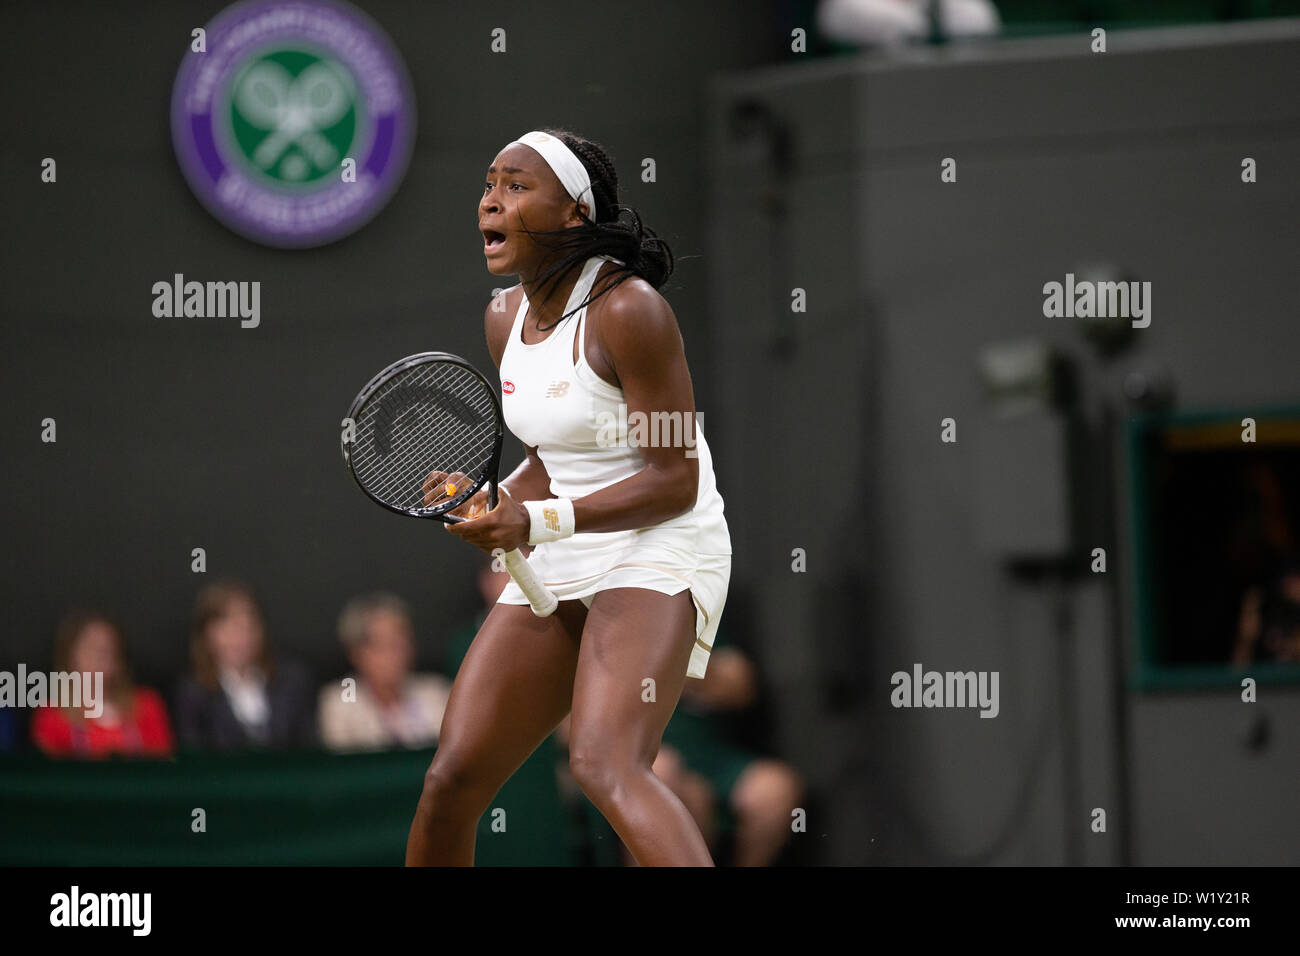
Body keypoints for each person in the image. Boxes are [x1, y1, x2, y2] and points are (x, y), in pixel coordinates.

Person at [406, 128, 732, 867]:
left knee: (604, 763)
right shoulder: (502, 319)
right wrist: (493, 498)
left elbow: (674, 480)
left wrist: (535, 520)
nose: (491, 199)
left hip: (661, 543)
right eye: (489, 183)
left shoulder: (632, 311)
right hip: (566, 544)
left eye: (517, 185)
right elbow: (552, 460)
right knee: (451, 778)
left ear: (574, 214)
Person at [174, 580, 317, 750]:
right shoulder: (192, 695)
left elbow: (310, 748)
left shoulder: (293, 681)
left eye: (248, 625)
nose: (240, 636)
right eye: (228, 627)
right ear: (206, 634)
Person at [31, 610, 174, 759]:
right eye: (91, 648)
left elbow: (162, 766)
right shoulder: (52, 714)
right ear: (70, 657)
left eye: (108, 650)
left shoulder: (147, 705)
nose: (101, 657)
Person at [319, 593, 452, 752]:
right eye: (383, 645)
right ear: (356, 653)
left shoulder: (437, 693)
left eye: (402, 643)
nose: (396, 654)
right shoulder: (339, 704)